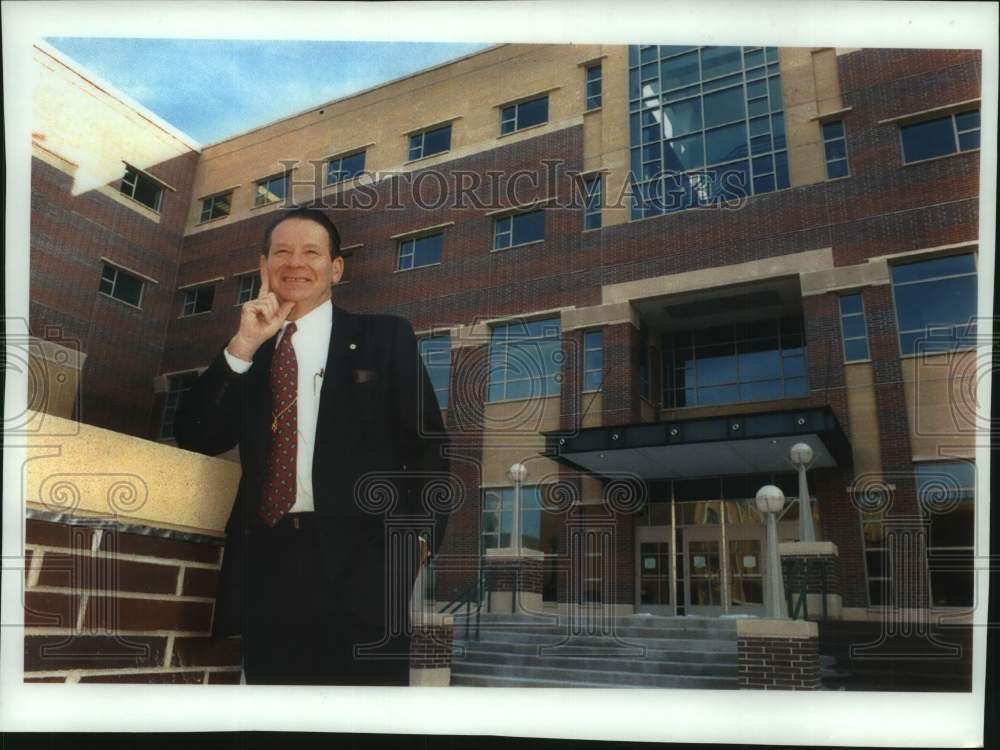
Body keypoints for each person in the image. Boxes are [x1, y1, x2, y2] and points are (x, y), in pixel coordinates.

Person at [174, 205, 450, 686]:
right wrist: (242, 346)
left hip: (364, 568)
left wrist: (408, 554)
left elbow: (428, 453)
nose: (295, 263)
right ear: (263, 267)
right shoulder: (251, 351)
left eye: (311, 252)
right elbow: (197, 434)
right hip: (267, 567)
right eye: (282, 252)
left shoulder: (384, 337)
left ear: (335, 268)